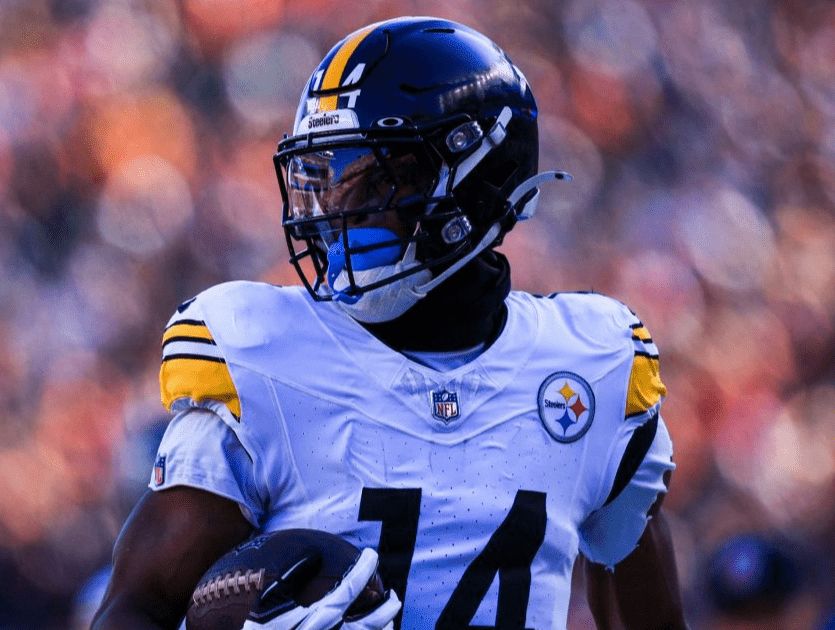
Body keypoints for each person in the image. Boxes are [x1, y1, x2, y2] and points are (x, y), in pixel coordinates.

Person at [92, 16, 688, 630]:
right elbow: (133, 609)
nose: (337, 218)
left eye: (378, 182)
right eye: (326, 183)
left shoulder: (591, 364)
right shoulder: (261, 357)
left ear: (481, 180)